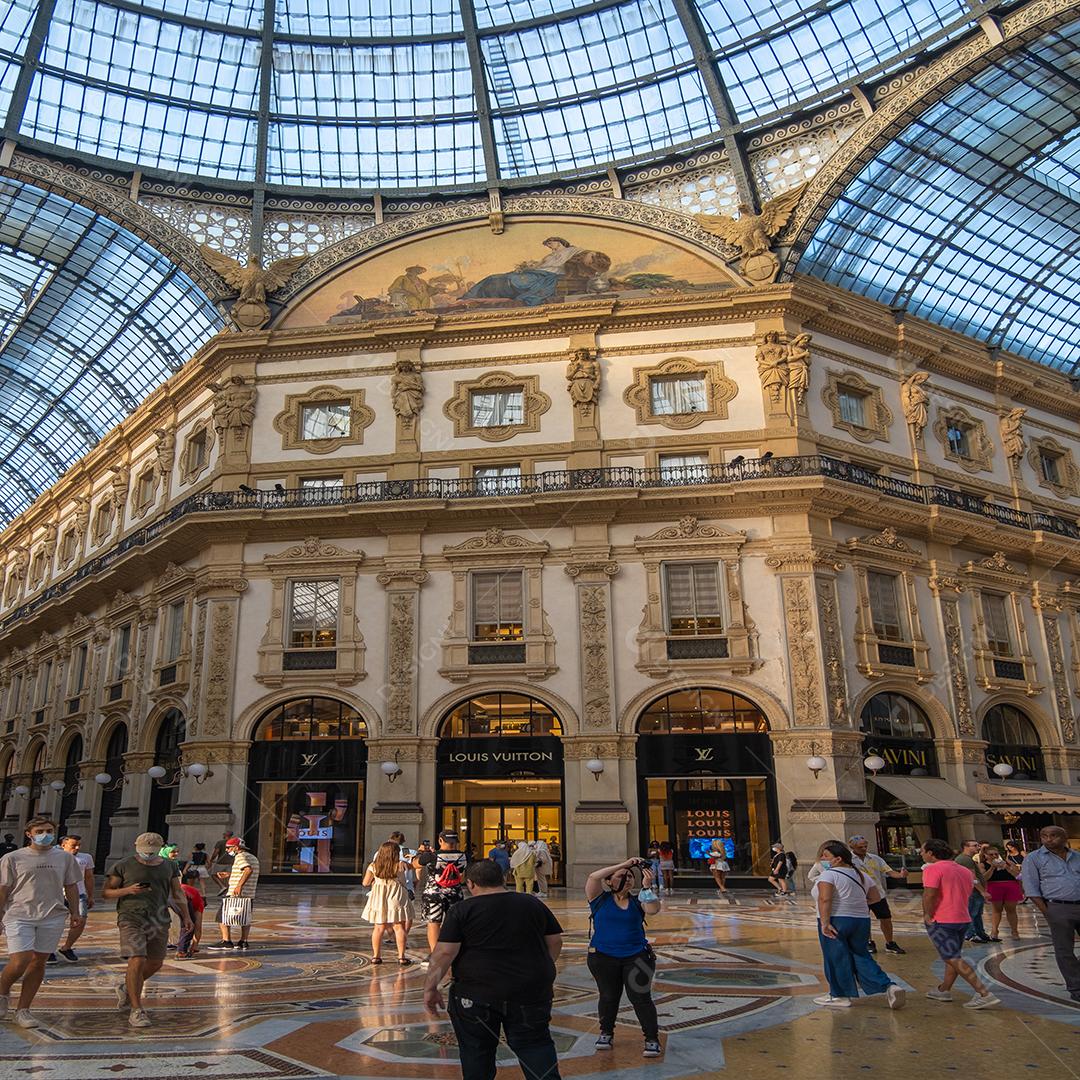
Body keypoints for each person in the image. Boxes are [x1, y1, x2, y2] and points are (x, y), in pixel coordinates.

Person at [424, 859, 564, 1080]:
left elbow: (444, 953)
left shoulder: (462, 910)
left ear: (470, 884)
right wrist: (542, 967)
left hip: (476, 995)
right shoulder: (531, 903)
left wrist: (431, 987)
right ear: (503, 879)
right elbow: (555, 941)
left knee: (476, 1052)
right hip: (530, 991)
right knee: (535, 1046)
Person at [103, 831, 192, 1028]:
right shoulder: (123, 865)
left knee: (155, 963)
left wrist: (186, 916)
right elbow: (107, 892)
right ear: (136, 846)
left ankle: (127, 987)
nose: (148, 854)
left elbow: (177, 891)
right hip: (131, 918)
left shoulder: (170, 866)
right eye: (145, 851)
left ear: (160, 849)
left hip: (159, 919)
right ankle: (136, 1009)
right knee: (137, 958)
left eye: (152, 851)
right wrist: (128, 890)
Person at [0, 817, 84, 1027]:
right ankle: (2, 992)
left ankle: (23, 1010)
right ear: (29, 834)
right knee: (21, 960)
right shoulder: (13, 857)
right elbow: (3, 888)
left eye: (49, 830)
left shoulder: (64, 858)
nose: (45, 834)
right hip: (19, 913)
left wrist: (75, 911)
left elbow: (71, 885)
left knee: (39, 961)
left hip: (52, 914)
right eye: (40, 831)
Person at [811, 840, 905, 1010]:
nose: (823, 859)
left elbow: (825, 898)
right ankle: (889, 986)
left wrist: (825, 922)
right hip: (861, 920)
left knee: (836, 957)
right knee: (860, 955)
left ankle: (839, 995)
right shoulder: (861, 875)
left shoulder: (829, 875)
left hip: (836, 919)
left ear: (838, 859)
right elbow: (876, 898)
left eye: (826, 856)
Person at [585, 857, 663, 1056]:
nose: (628, 878)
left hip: (636, 956)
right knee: (609, 996)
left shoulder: (638, 901)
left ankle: (652, 1038)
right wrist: (624, 864)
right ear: (609, 881)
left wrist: (646, 887)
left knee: (641, 997)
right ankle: (606, 1032)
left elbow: (653, 910)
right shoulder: (598, 899)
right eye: (622, 876)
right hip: (603, 956)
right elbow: (594, 876)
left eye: (630, 876)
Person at [921, 838, 999, 1008]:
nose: (921, 853)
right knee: (954, 956)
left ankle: (984, 993)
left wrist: (927, 914)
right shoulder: (964, 870)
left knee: (952, 957)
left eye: (923, 851)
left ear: (931, 853)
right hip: (962, 918)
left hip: (942, 918)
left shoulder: (932, 869)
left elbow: (930, 894)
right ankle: (944, 990)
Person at [1020, 825, 1080, 1003]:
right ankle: (1076, 987)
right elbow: (1031, 888)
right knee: (1064, 950)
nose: (1048, 839)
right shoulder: (1034, 859)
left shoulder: (1077, 856)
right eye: (1044, 836)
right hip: (1057, 907)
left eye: (1053, 835)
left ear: (1064, 837)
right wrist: (1048, 912)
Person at [413, 830, 468, 962]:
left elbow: (416, 864)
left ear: (440, 841)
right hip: (455, 893)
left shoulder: (432, 856)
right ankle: (453, 952)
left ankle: (435, 953)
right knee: (453, 924)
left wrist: (422, 852)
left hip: (434, 894)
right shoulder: (463, 856)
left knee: (433, 923)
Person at [848, 835, 907, 955]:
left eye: (865, 846)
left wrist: (900, 875)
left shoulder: (875, 858)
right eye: (860, 847)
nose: (864, 849)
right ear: (852, 847)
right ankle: (869, 942)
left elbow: (888, 871)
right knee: (865, 919)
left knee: (886, 918)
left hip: (878, 894)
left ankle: (890, 943)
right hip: (859, 895)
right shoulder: (848, 859)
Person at [361, 841, 413, 965]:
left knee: (378, 928)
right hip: (396, 894)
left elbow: (365, 883)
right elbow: (403, 881)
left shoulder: (373, 866)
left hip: (379, 896)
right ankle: (401, 957)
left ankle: (376, 956)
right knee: (399, 927)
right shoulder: (398, 865)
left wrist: (375, 882)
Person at [207, 836, 259, 950]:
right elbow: (247, 870)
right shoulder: (253, 857)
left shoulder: (240, 857)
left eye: (229, 848)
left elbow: (248, 870)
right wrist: (229, 874)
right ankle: (243, 941)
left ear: (236, 847)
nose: (227, 850)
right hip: (249, 893)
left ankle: (226, 941)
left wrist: (239, 886)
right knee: (245, 917)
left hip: (235, 893)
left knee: (222, 916)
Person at [57, 834, 94, 962]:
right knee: (55, 923)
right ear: (63, 845)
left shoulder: (86, 858)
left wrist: (90, 895)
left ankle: (67, 947)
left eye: (79, 845)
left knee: (80, 920)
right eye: (73, 845)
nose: (77, 848)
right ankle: (48, 949)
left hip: (79, 894)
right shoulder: (55, 858)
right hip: (58, 894)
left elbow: (89, 877)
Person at [982, 844, 1023, 941]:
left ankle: (1014, 931)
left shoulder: (1008, 863)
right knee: (997, 910)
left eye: (996, 854)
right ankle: (994, 930)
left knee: (1011, 910)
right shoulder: (983, 864)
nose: (994, 856)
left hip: (1010, 886)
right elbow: (984, 878)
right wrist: (992, 868)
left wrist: (1008, 868)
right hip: (994, 886)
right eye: (991, 854)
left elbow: (1018, 876)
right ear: (986, 855)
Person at [955, 839, 992, 943]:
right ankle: (971, 934)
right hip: (971, 892)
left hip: (973, 892)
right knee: (972, 913)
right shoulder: (965, 860)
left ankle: (980, 933)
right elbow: (972, 877)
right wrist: (982, 891)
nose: (978, 847)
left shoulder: (968, 859)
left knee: (976, 914)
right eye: (974, 846)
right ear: (966, 847)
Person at [176, 870, 205, 959]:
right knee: (189, 924)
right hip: (183, 897)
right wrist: (194, 946)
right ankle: (182, 951)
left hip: (172, 894)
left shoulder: (197, 901)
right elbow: (198, 928)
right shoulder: (199, 904)